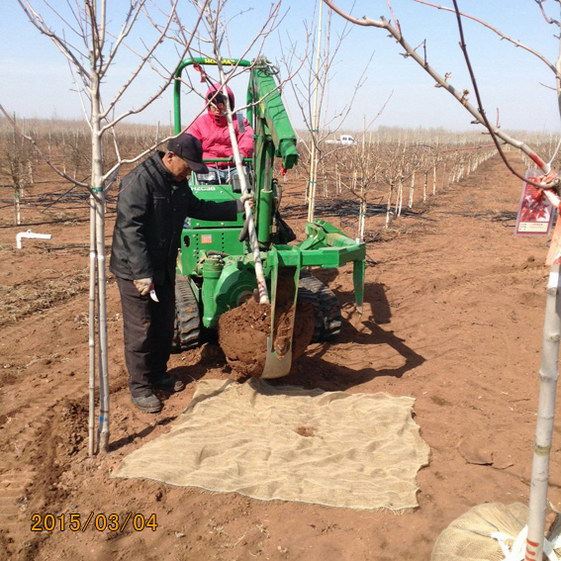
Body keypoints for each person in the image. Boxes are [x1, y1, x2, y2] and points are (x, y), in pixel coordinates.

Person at [110, 133, 252, 413]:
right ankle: (140, 386)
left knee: (164, 323)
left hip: (163, 264)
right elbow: (130, 229)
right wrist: (141, 273)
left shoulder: (178, 182)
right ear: (170, 156)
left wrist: (238, 205)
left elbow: (198, 208)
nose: (188, 173)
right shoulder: (140, 181)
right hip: (134, 268)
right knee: (141, 328)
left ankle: (158, 374)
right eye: (187, 167)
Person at [187, 83, 254, 184]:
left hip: (235, 166)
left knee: (246, 181)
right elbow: (190, 143)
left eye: (221, 104)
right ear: (208, 105)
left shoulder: (239, 120)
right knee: (197, 183)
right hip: (209, 167)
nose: (218, 108)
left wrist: (242, 153)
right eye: (213, 104)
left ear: (229, 104)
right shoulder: (200, 123)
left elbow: (247, 138)